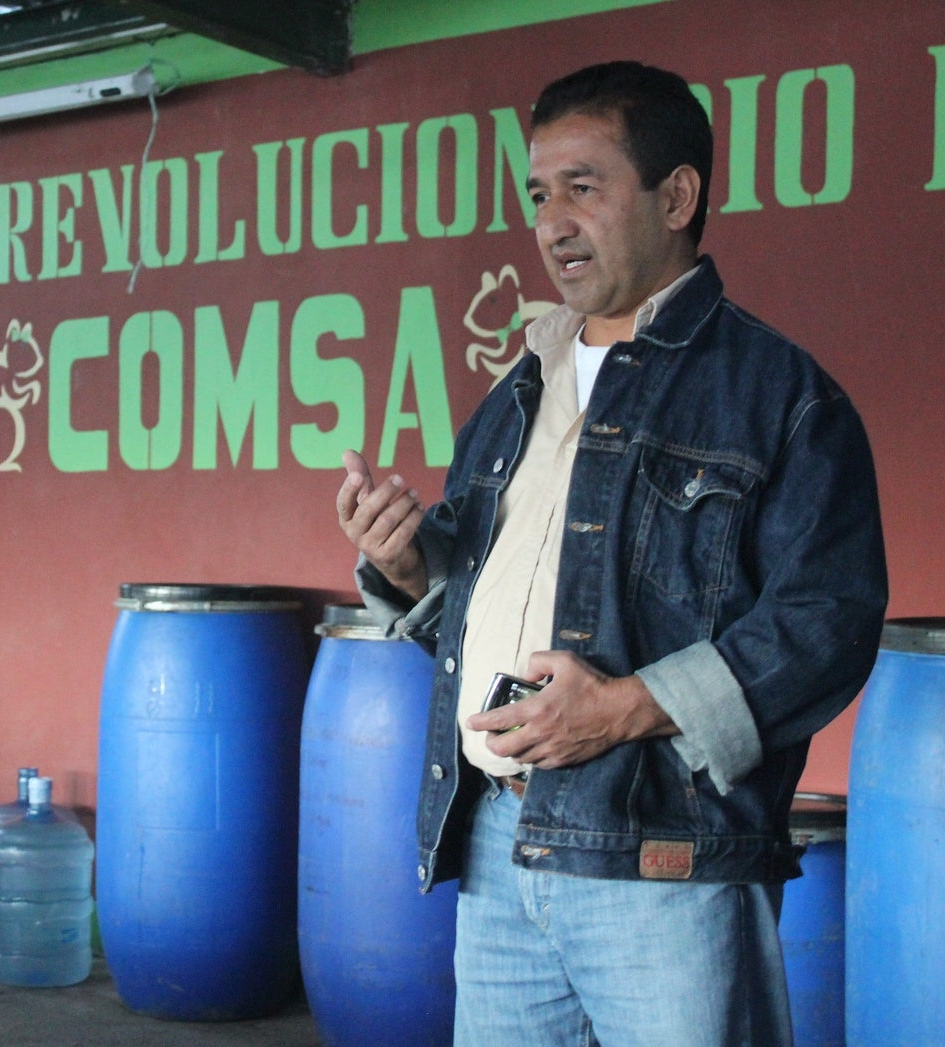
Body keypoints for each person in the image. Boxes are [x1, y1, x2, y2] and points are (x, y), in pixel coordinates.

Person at [336, 60, 887, 1047]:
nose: (552, 223)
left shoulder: (781, 398)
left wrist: (623, 709)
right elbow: (478, 613)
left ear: (676, 196)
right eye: (540, 195)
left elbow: (826, 625)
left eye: (583, 188)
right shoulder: (519, 389)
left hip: (664, 866)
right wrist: (411, 571)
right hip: (497, 845)